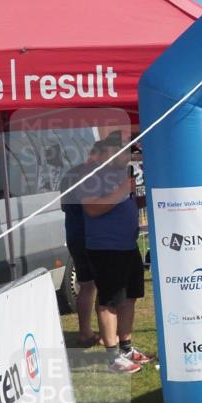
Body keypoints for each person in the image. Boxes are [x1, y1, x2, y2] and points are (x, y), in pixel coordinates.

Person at [77, 142, 153, 373]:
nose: (126, 156)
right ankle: (112, 356)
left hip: (127, 246)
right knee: (109, 301)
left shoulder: (121, 176)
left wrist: (139, 198)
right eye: (120, 152)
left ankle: (126, 347)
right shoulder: (90, 176)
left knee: (130, 297)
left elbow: (124, 203)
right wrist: (122, 191)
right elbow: (91, 208)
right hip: (105, 248)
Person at [60, 141, 109, 348]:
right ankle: (108, 335)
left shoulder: (70, 174)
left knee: (87, 285)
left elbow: (64, 206)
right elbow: (96, 207)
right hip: (92, 237)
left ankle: (85, 332)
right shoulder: (93, 176)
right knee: (104, 286)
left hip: (75, 235)